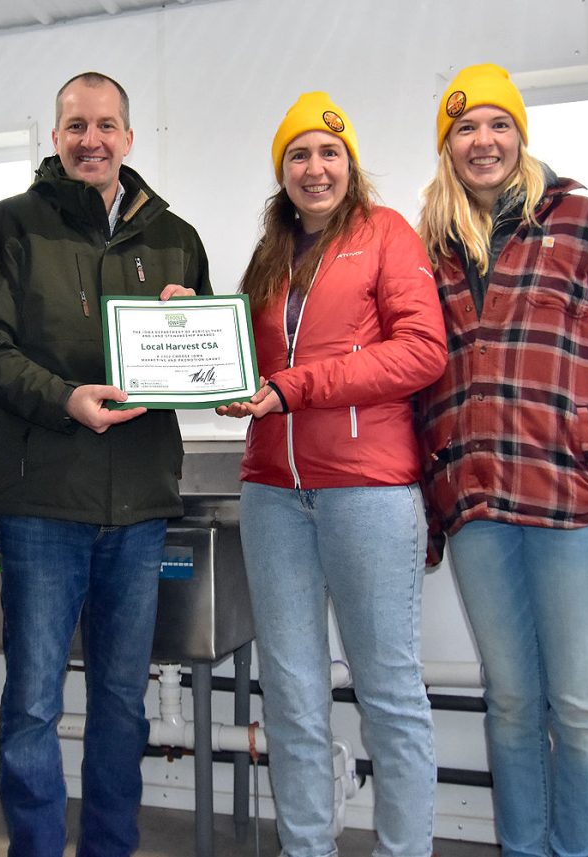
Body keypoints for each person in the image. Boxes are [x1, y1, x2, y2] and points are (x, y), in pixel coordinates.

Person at [416, 63, 588, 857]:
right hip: (476, 508)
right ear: (447, 147)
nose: (483, 141)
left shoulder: (583, 223)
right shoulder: (428, 248)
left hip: (577, 505)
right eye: (465, 128)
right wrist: (428, 508)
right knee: (511, 702)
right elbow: (417, 383)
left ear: (520, 136)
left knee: (584, 706)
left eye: (498, 124)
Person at [0, 71, 211, 857]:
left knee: (122, 704)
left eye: (106, 125)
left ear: (129, 138)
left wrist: (189, 335)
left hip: (138, 508)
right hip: (41, 507)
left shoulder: (177, 236)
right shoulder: (10, 227)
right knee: (32, 702)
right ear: (55, 137)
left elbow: (209, 360)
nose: (90, 139)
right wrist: (64, 398)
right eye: (75, 126)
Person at [217, 92, 445, 857]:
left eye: (329, 153)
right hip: (272, 491)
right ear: (281, 170)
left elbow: (422, 351)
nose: (315, 169)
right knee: (292, 692)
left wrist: (300, 385)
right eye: (298, 155)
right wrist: (194, 331)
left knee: (388, 692)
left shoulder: (387, 236)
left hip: (368, 488)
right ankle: (305, 846)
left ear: (351, 164)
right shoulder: (271, 254)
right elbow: (253, 366)